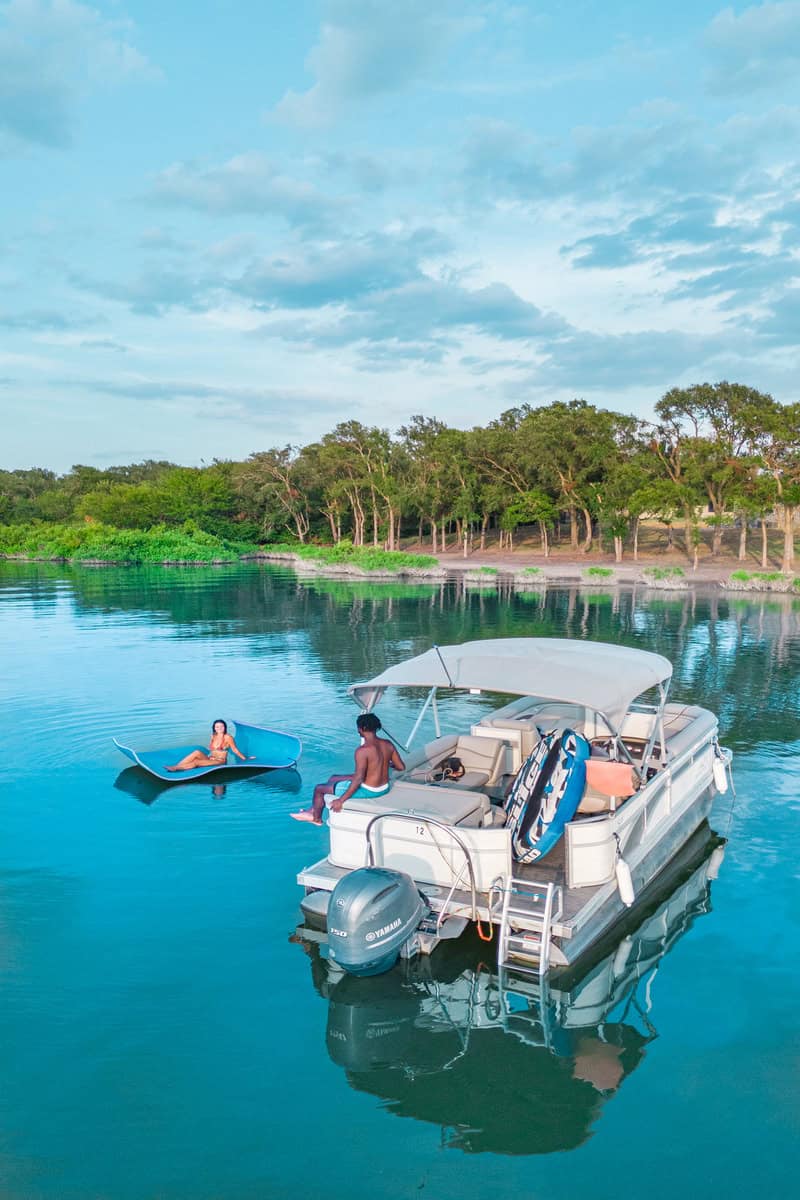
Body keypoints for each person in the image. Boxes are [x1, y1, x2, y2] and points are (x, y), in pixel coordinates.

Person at [291, 712, 405, 825]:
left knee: (319, 789)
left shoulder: (362, 750)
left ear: (362, 728)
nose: (358, 730)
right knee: (333, 778)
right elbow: (401, 767)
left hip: (369, 790)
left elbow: (359, 779)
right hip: (384, 787)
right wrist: (383, 764)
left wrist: (341, 800)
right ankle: (312, 809)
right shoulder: (388, 744)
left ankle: (316, 818)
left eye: (358, 728)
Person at [166, 719, 254, 772]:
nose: (219, 728)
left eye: (221, 726)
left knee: (197, 762)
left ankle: (176, 768)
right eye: (217, 727)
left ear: (225, 727)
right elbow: (211, 749)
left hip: (220, 762)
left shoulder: (228, 737)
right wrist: (207, 756)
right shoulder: (213, 736)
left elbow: (235, 750)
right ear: (214, 728)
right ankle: (178, 766)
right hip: (210, 758)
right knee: (196, 752)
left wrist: (246, 759)